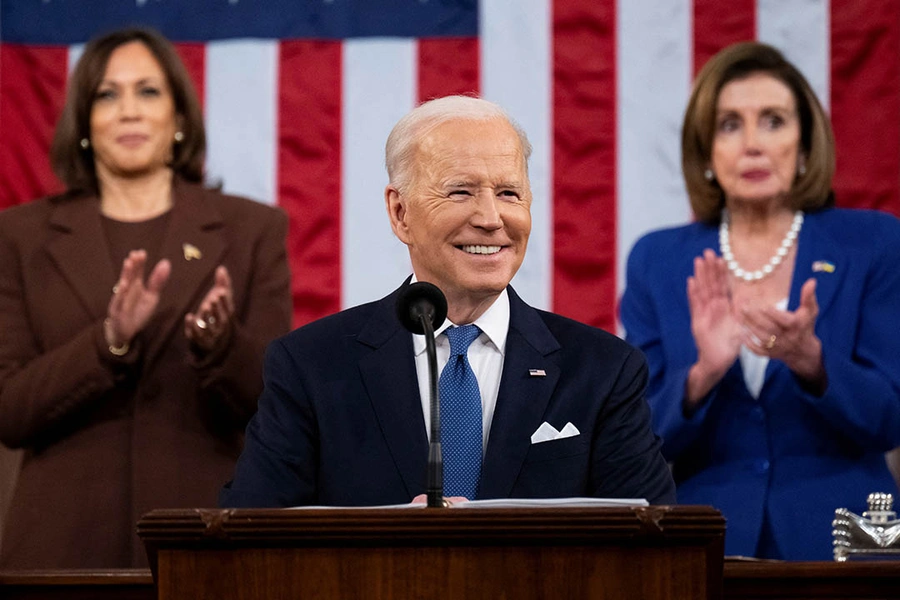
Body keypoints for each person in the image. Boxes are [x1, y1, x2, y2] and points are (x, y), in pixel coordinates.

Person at [219, 95, 675, 508]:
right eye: (461, 191)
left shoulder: (603, 370)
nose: (492, 219)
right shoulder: (311, 367)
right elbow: (249, 535)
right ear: (400, 213)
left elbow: (656, 545)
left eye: (509, 193)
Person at [0, 27, 292, 568]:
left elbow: (279, 406)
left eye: (148, 91)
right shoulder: (19, 236)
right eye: (108, 94)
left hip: (206, 542)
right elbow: (10, 411)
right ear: (84, 121)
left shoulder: (252, 230)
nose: (129, 110)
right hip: (61, 550)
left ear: (180, 117)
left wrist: (221, 345)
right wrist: (107, 343)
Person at [620, 42, 900, 560]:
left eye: (773, 121)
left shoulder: (874, 244)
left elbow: (890, 418)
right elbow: (637, 441)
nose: (753, 144)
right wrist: (702, 374)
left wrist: (812, 362)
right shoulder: (656, 260)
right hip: (704, 543)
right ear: (705, 152)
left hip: (851, 541)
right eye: (730, 125)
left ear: (805, 143)